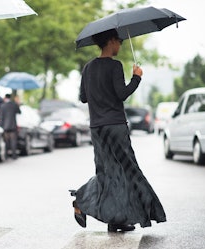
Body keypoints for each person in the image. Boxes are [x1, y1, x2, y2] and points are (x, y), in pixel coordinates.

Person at [71, 29, 166, 232]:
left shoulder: (88, 68)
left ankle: (116, 219)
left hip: (97, 128)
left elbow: (83, 98)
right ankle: (140, 213)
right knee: (128, 170)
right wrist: (136, 78)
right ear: (111, 41)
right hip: (115, 126)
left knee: (107, 172)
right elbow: (122, 93)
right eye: (119, 41)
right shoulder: (115, 66)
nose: (120, 45)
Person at [0, 93, 21, 160]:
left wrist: (1, 125)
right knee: (13, 141)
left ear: (5, 98)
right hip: (13, 126)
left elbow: (1, 117)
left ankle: (6, 156)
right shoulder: (14, 105)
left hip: (5, 127)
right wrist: (18, 104)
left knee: (6, 142)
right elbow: (19, 112)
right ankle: (14, 156)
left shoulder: (2, 106)